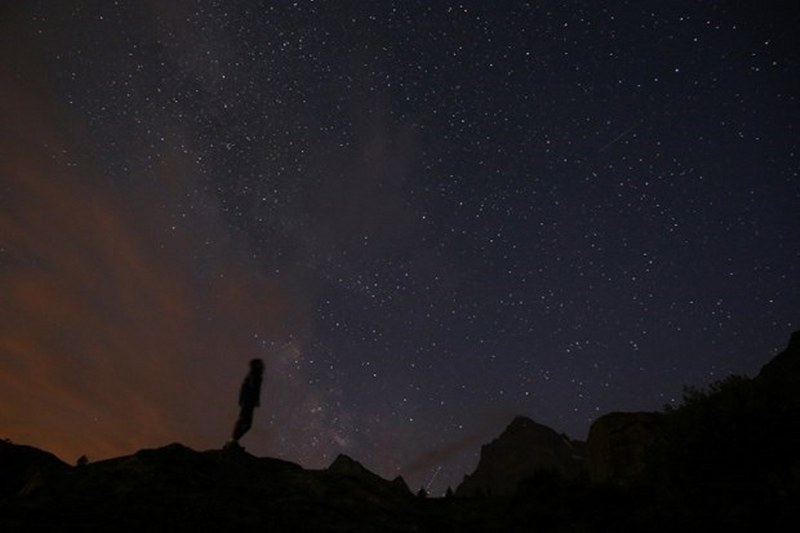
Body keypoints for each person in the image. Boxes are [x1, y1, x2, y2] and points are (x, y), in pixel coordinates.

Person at [226, 358, 264, 449]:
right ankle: (232, 441)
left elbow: (249, 389)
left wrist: (253, 400)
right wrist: (249, 400)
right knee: (244, 421)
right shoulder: (254, 376)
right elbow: (251, 388)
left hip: (248, 402)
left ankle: (233, 440)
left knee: (246, 423)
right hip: (248, 402)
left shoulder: (254, 376)